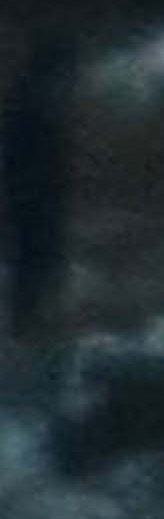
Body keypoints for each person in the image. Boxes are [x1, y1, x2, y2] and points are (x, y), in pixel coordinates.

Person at [0, 32, 66, 347]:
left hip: (31, 193)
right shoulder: (33, 102)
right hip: (32, 195)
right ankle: (27, 324)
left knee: (33, 261)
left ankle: (28, 321)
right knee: (35, 261)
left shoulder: (28, 97)